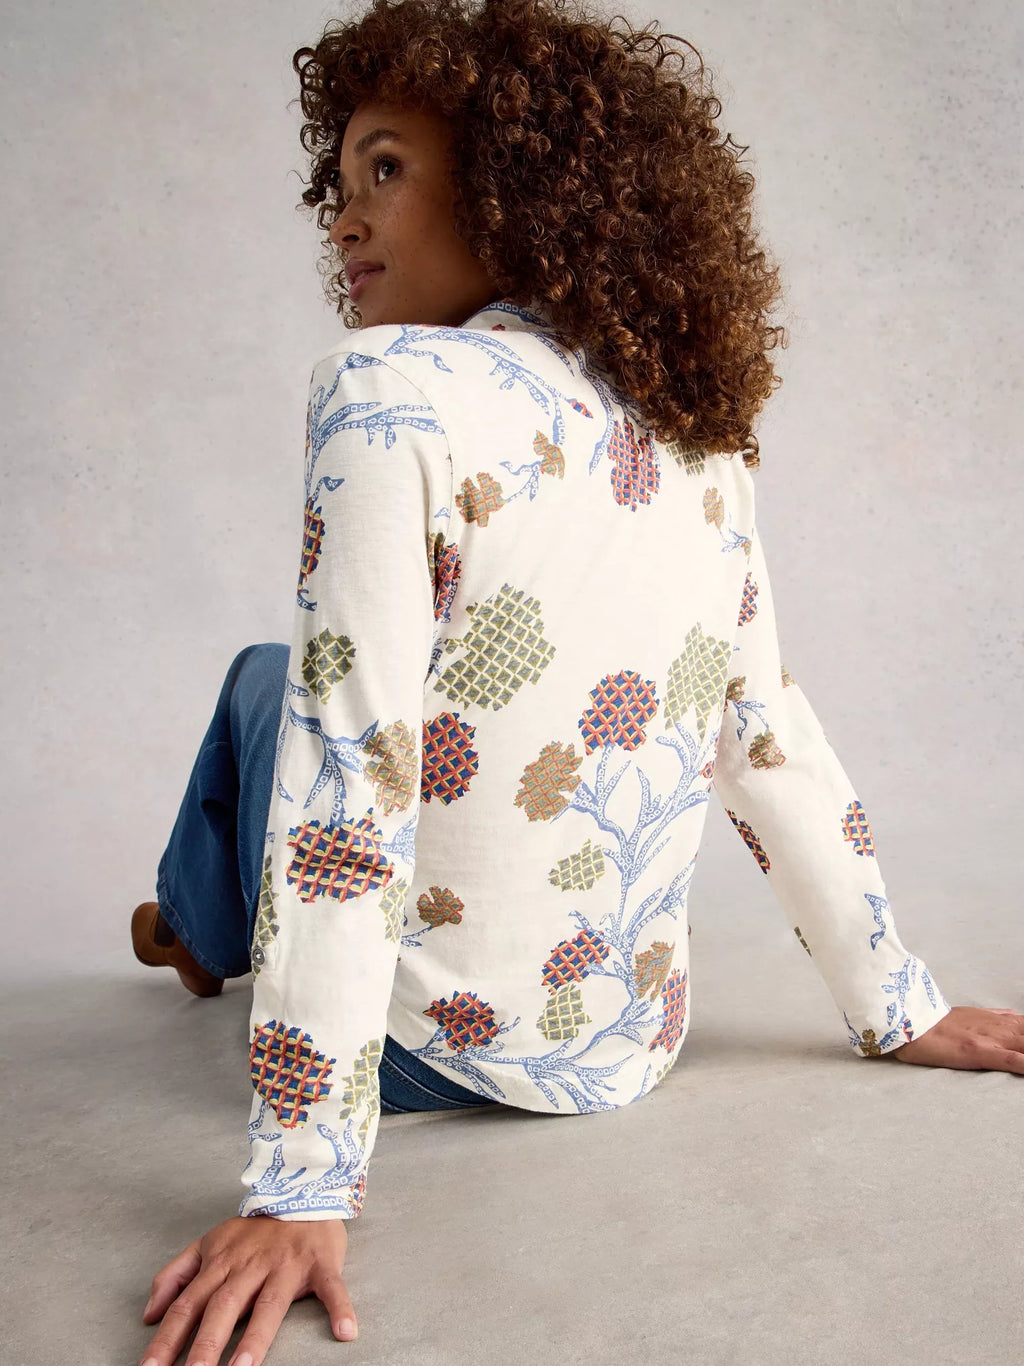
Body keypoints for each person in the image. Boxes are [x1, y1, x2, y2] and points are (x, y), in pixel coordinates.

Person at [131, 2, 1024, 1363]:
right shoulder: (698, 430)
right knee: (287, 691)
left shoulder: (385, 392)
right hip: (620, 1052)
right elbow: (763, 729)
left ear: (510, 186)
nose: (345, 221)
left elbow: (352, 763)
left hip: (416, 1054)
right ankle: (196, 918)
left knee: (269, 683)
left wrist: (303, 1182)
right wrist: (895, 1002)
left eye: (386, 168)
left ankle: (199, 925)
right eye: (342, 180)